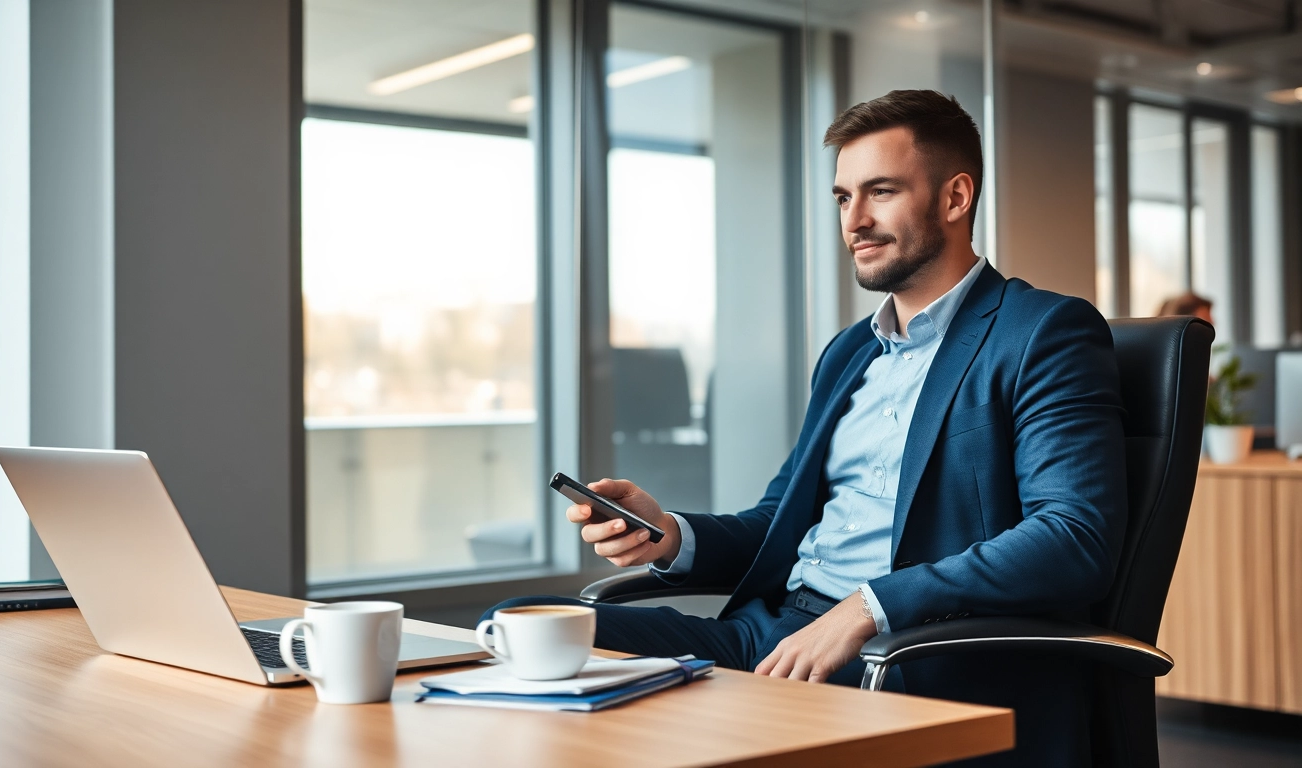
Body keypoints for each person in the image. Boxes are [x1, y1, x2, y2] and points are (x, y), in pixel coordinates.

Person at [482, 90, 1127, 767]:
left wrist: (867, 609)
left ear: (955, 197)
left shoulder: (1042, 331)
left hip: (905, 655)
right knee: (521, 624)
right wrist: (671, 534)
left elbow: (1072, 538)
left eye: (880, 191)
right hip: (772, 633)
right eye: (844, 197)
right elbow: (778, 523)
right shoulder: (850, 352)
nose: (856, 220)